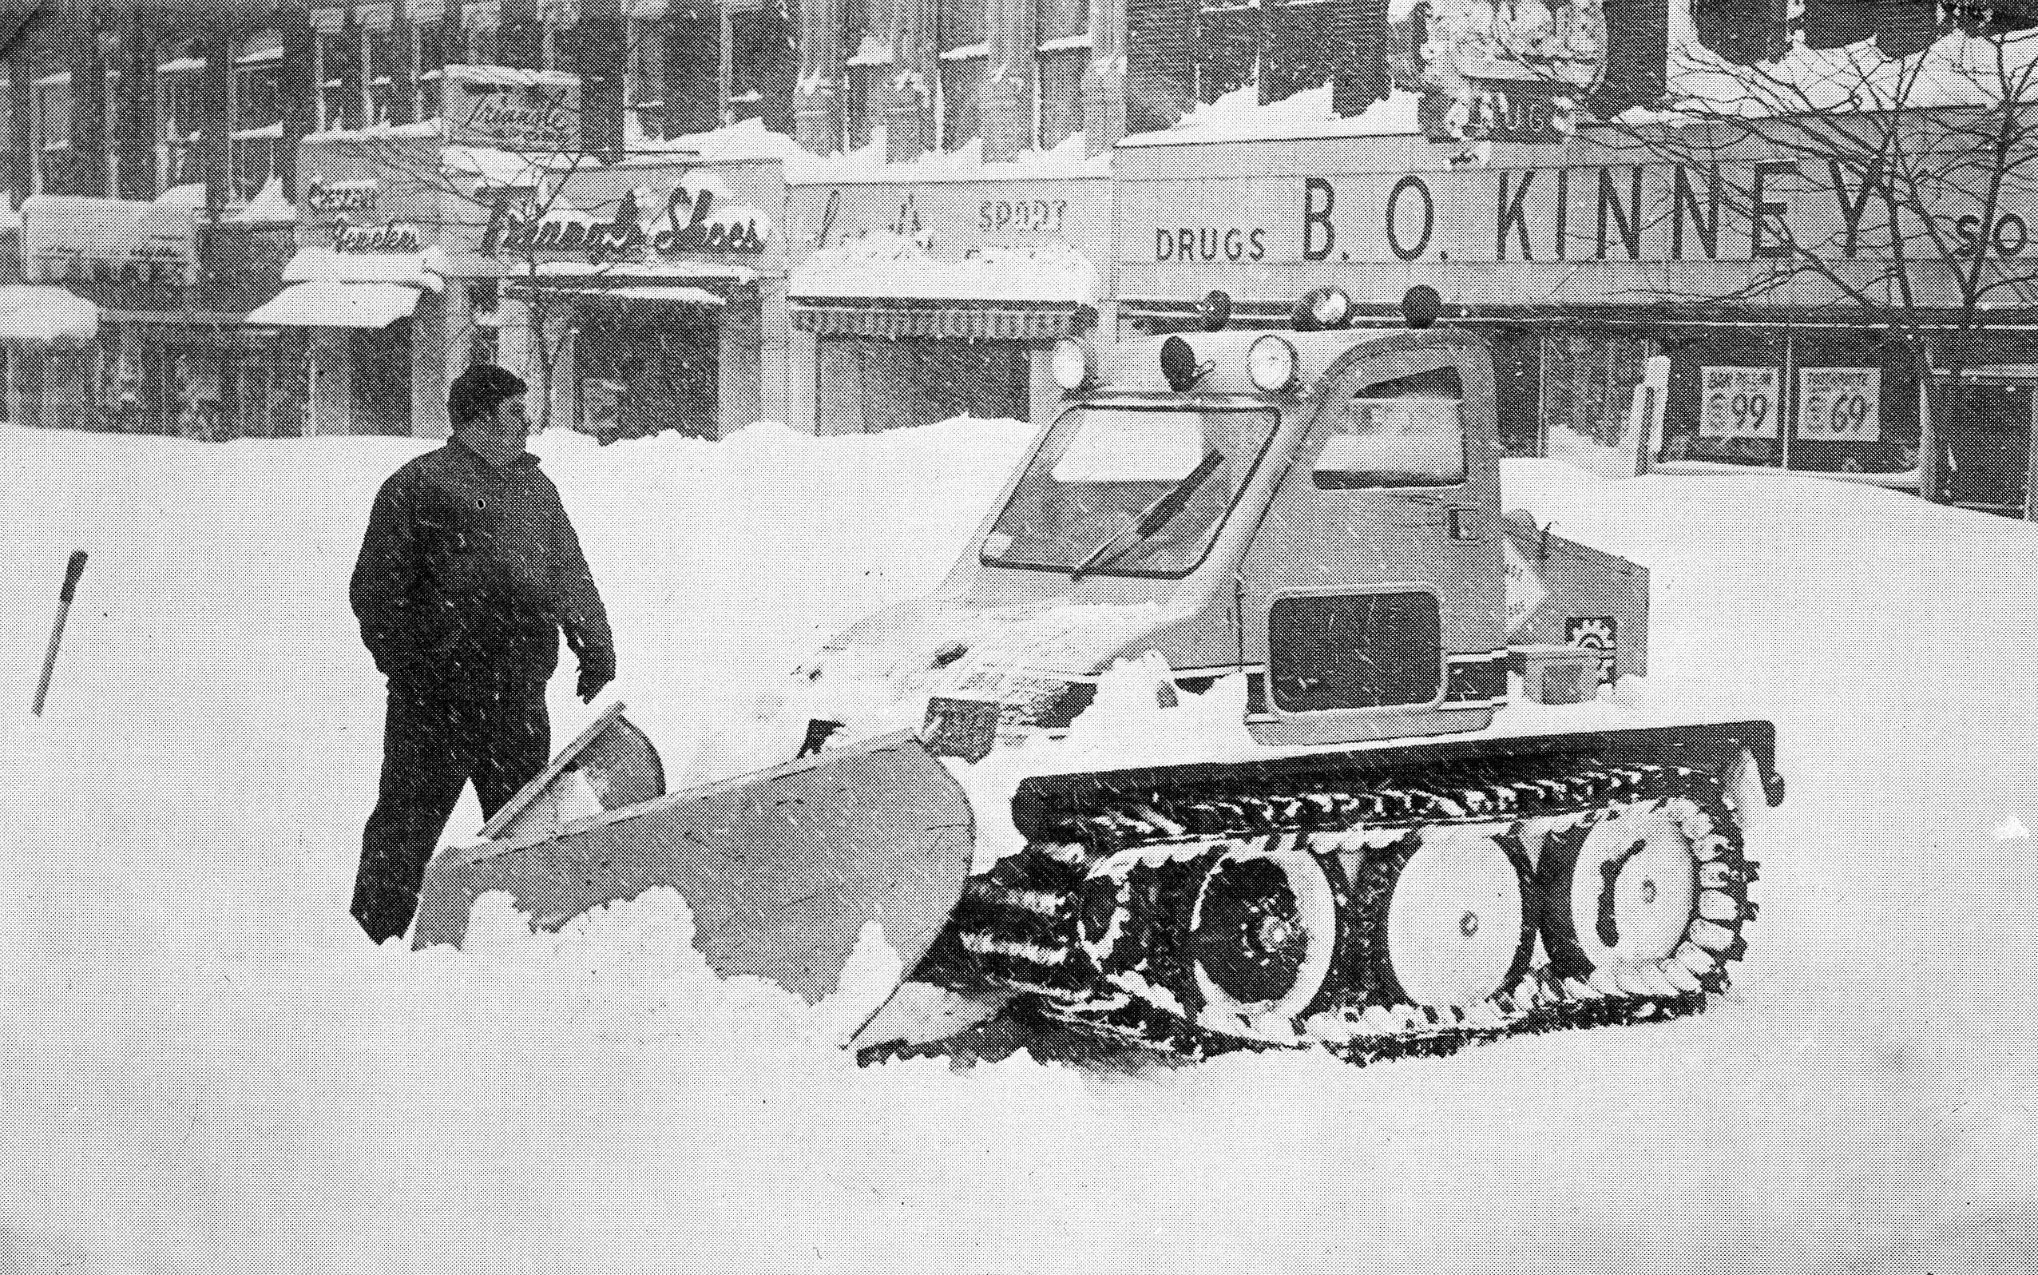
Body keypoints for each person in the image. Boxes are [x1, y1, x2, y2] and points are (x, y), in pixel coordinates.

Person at [348, 363, 616, 943]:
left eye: (525, 414)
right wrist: (417, 666)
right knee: (407, 824)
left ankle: (521, 945)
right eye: (514, 415)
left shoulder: (534, 488)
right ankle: (375, 942)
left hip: (515, 696)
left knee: (524, 832)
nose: (527, 426)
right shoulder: (419, 487)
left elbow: (567, 570)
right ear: (476, 421)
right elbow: (375, 591)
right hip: (435, 702)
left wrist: (595, 644)